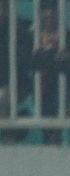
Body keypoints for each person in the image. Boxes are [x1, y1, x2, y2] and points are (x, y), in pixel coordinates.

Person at [29, 0, 70, 145]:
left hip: (64, 88)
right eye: (45, 9)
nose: (49, 13)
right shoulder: (33, 34)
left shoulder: (67, 35)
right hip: (43, 92)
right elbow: (31, 63)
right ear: (39, 13)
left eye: (53, 9)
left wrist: (43, 57)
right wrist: (54, 57)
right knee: (49, 137)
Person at [0, 0, 33, 144]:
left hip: (18, 84)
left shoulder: (22, 27)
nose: (1, 11)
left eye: (4, 7)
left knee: (3, 97)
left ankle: (9, 141)